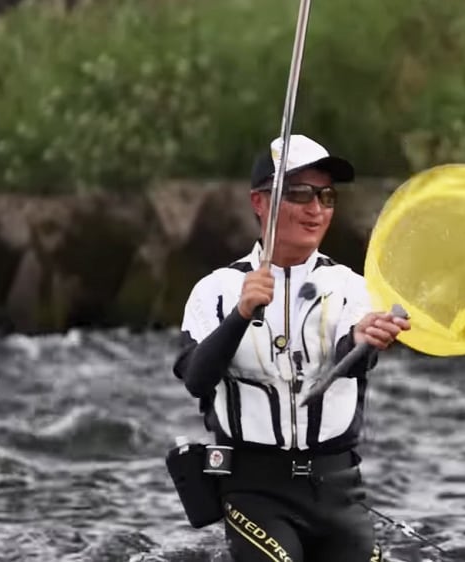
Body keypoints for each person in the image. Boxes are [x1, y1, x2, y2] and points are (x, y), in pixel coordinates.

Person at [172, 134, 410, 562]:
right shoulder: (216, 291)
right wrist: (242, 313)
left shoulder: (353, 288)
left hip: (338, 489)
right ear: (259, 203)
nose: (316, 209)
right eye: (299, 194)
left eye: (326, 196)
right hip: (254, 490)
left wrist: (362, 340)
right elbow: (196, 378)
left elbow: (353, 353)